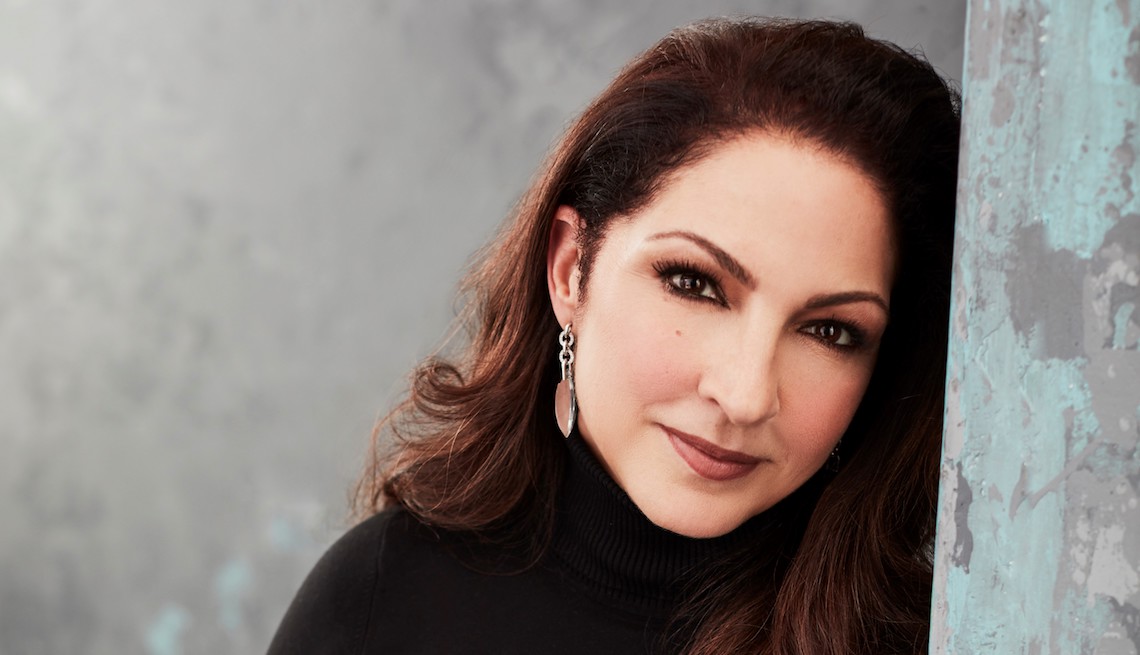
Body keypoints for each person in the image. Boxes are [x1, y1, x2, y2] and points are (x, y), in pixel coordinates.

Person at [269, 16, 960, 655]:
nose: (746, 395)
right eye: (694, 282)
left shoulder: (944, 639)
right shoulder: (379, 601)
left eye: (831, 330)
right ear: (571, 269)